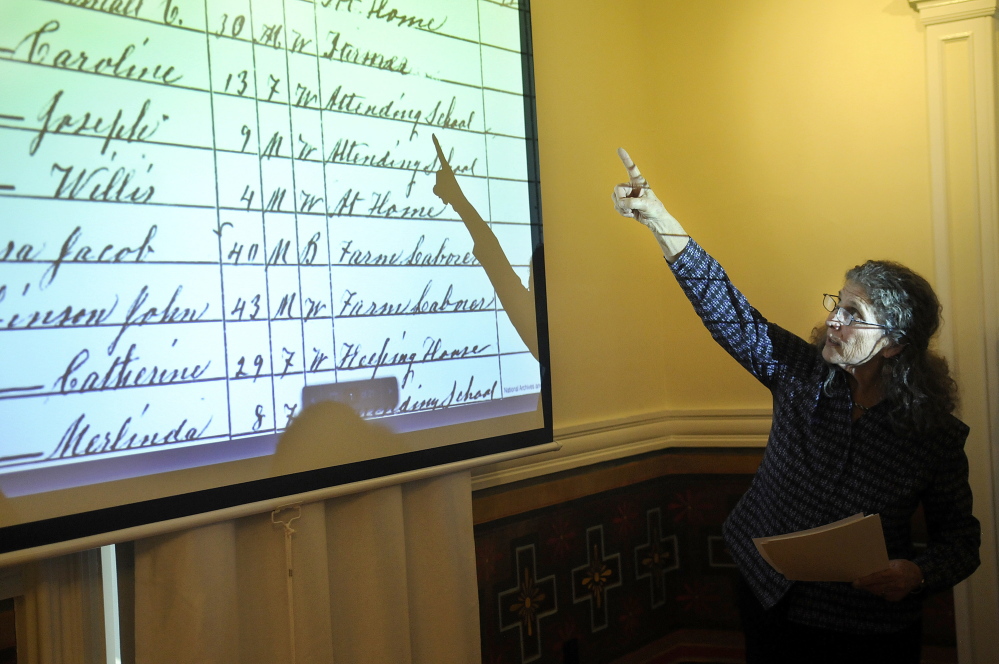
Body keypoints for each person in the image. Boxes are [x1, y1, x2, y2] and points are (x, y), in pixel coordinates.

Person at [610, 148, 981, 663]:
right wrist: (658, 218)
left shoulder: (934, 435)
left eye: (854, 314)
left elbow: (961, 541)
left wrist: (917, 573)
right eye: (838, 303)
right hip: (769, 597)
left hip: (866, 626)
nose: (833, 319)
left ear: (893, 344)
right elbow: (727, 308)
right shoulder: (801, 375)